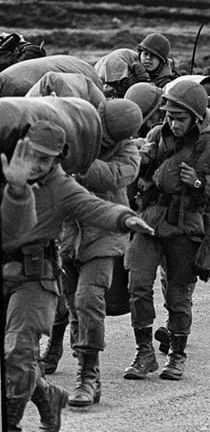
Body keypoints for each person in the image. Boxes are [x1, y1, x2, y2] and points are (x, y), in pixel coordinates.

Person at [3, 123, 154, 432]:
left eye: (47, 160)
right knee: (16, 360)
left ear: (59, 160)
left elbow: (94, 207)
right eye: (34, 156)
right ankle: (46, 396)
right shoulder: (6, 170)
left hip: (35, 276)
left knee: (18, 352)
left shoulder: (61, 186)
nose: (38, 165)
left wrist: (125, 218)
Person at [124, 80, 210, 381]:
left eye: (180, 118)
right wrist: (142, 161)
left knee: (178, 295)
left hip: (185, 227)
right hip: (149, 220)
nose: (173, 124)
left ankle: (177, 354)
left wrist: (200, 183)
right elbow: (131, 174)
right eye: (169, 116)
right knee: (137, 285)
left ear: (195, 118)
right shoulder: (155, 136)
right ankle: (144, 353)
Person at [52, 99, 145, 409]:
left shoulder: (129, 152)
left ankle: (88, 375)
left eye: (109, 139)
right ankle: (80, 363)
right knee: (72, 307)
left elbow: (113, 176)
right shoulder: (76, 131)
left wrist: (79, 158)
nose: (102, 141)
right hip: (67, 234)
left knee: (88, 301)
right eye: (100, 133)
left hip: (105, 235)